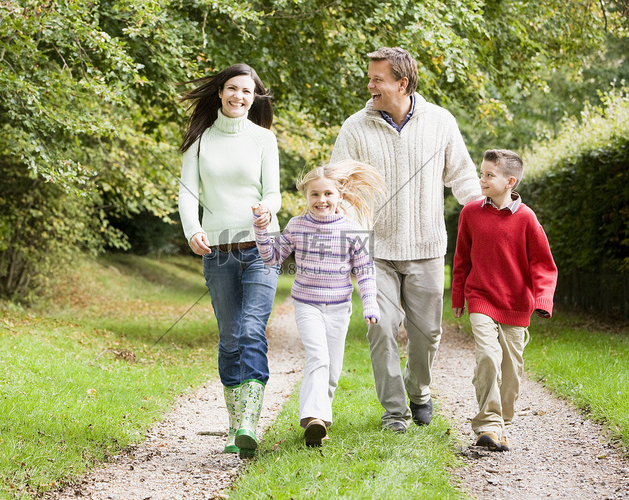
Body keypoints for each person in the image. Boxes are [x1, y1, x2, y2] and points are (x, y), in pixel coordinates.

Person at [330, 46, 482, 432]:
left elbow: (463, 177)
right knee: (380, 328)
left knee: (427, 334)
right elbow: (338, 186)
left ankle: (419, 391)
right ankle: (395, 412)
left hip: (426, 248)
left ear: (403, 82)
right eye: (370, 78)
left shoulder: (440, 122)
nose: (370, 85)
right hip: (374, 251)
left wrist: (488, 212)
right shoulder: (355, 127)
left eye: (377, 79)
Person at [177, 63, 281, 459]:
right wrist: (192, 230)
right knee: (231, 337)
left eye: (247, 92)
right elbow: (188, 193)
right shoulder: (199, 141)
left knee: (252, 330)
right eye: (233, 89)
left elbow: (273, 193)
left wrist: (266, 211)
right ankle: (235, 420)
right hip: (217, 252)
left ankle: (248, 424)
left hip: (261, 248)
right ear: (220, 92)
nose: (240, 96)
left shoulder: (263, 140)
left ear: (254, 99)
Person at [252, 160, 386, 446]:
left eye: (327, 194)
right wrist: (262, 230)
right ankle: (311, 417)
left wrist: (370, 304)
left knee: (332, 370)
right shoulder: (297, 225)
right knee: (318, 357)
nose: (321, 200)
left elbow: (364, 271)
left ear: (339, 196)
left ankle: (320, 422)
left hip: (339, 307)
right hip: (307, 305)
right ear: (306, 196)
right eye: (315, 194)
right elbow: (272, 257)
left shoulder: (351, 230)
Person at [452, 149, 558, 451]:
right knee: (487, 356)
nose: (481, 179)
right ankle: (488, 426)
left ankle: (502, 423)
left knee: (511, 373)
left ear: (509, 181)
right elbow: (461, 259)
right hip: (481, 297)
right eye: (481, 173)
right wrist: (459, 293)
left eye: (489, 175)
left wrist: (543, 300)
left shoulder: (526, 219)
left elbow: (543, 265)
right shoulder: (470, 213)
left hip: (516, 304)